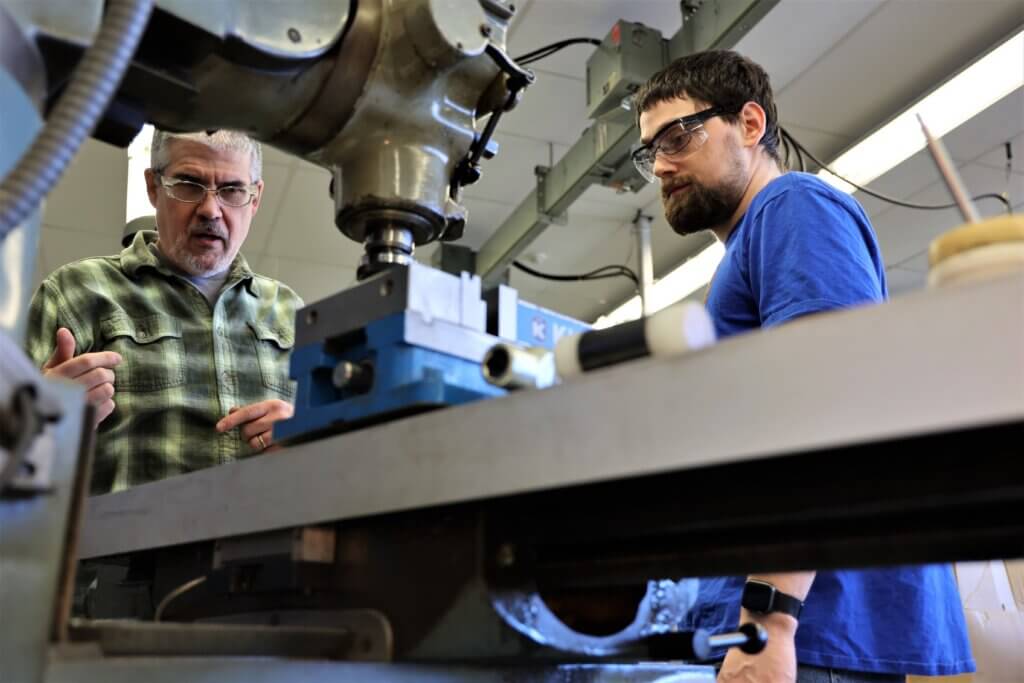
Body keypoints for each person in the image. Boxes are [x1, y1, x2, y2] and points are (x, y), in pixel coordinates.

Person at [632, 51, 974, 682]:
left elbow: (828, 403)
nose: (660, 163)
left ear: (751, 124)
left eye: (679, 136)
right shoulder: (751, 245)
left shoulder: (792, 207)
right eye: (649, 149)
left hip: (816, 620)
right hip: (804, 616)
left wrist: (771, 619)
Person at [26, 129, 302, 494]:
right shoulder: (77, 292)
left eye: (232, 190)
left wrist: (307, 433)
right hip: (122, 547)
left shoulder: (291, 314)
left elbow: (336, 468)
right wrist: (38, 418)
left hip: (265, 548)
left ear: (255, 198)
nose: (210, 209)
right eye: (189, 184)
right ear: (153, 187)